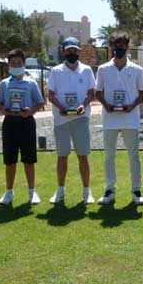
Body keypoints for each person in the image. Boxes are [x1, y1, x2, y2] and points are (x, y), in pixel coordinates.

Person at [95, 32, 143, 206]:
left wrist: (131, 107)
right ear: (112, 46)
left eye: (123, 45)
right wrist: (106, 105)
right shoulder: (103, 69)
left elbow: (142, 94)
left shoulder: (137, 69)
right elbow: (97, 92)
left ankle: (136, 191)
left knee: (134, 156)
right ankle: (109, 190)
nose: (120, 48)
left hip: (130, 119)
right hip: (110, 118)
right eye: (116, 45)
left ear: (127, 46)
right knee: (109, 156)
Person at [46, 37, 96, 204]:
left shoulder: (87, 70)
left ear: (78, 51)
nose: (71, 53)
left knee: (83, 155)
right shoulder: (55, 71)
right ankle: (60, 191)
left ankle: (87, 192)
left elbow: (91, 93)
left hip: (80, 118)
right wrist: (61, 107)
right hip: (61, 119)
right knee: (62, 156)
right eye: (68, 50)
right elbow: (50, 95)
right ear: (63, 51)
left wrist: (83, 105)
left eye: (74, 50)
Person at [0, 49, 45, 206]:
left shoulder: (31, 83)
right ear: (9, 65)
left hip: (26, 123)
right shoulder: (4, 83)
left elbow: (40, 103)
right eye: (13, 63)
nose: (16, 65)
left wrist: (29, 112)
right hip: (10, 123)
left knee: (28, 159)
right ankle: (9, 192)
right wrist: (6, 111)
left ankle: (32, 192)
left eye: (19, 63)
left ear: (24, 64)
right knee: (10, 160)